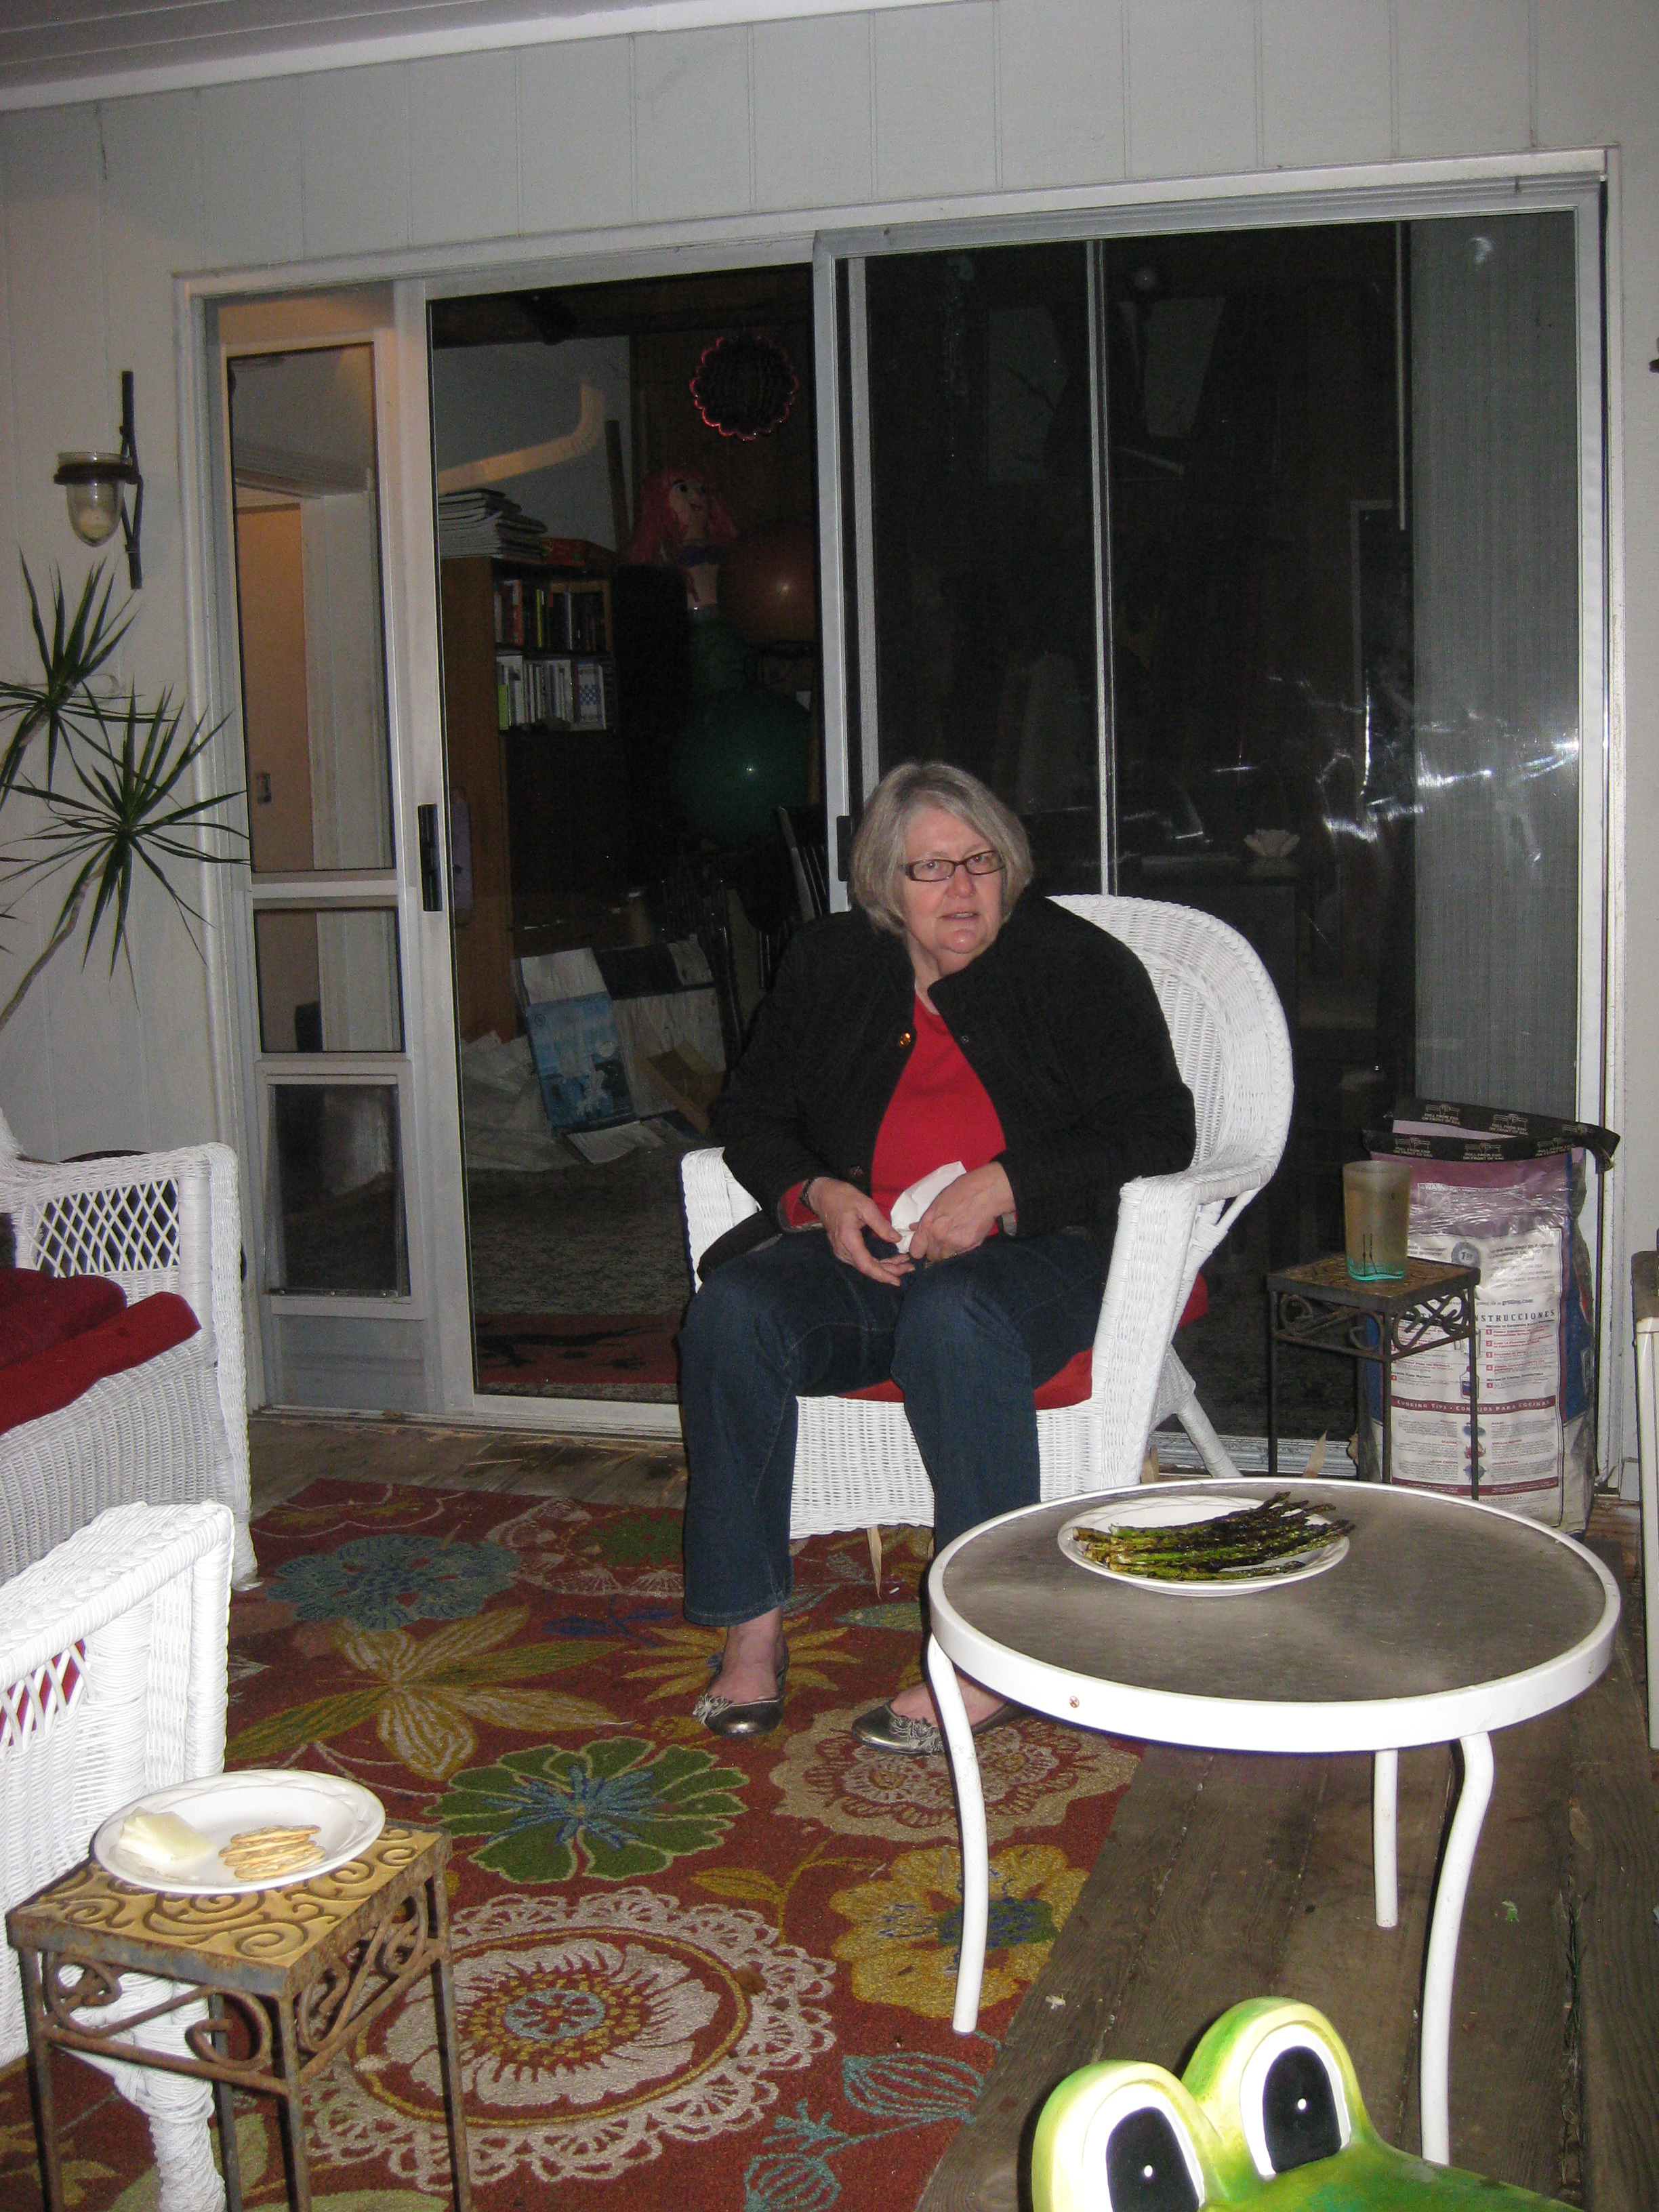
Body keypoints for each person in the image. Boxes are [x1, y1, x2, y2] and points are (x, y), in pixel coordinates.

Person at [679, 761, 1195, 1750]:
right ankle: (751, 1629)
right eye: (931, 869)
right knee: (734, 1313)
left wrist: (1005, 1184)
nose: (962, 889)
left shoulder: (1076, 966)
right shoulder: (831, 963)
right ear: (885, 884)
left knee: (955, 1314)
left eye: (981, 862)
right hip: (873, 1255)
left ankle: (984, 1653)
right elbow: (751, 1112)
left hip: (1043, 1257)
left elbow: (1159, 1128)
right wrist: (819, 1195)